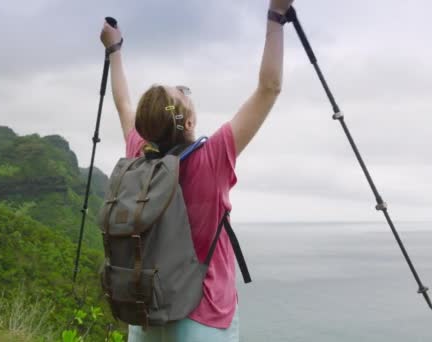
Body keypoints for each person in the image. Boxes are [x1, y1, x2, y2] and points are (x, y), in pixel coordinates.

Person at [99, 0, 293, 340]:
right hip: (202, 320)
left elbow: (123, 104)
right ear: (189, 121)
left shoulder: (139, 155)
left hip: (147, 315)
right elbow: (269, 88)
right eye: (184, 94)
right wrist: (276, 15)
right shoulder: (212, 158)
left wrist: (114, 49)